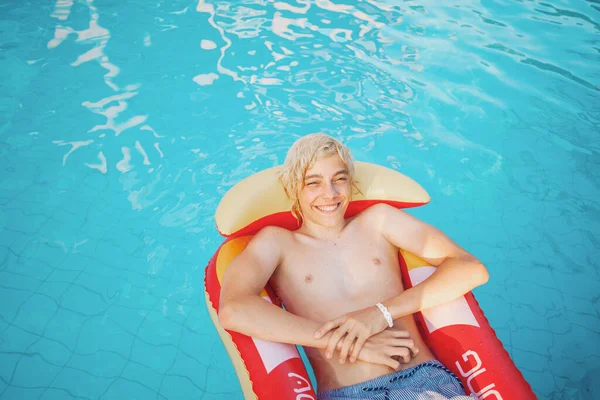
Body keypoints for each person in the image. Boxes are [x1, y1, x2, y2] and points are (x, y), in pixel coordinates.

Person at [219, 133, 488, 399]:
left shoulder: (380, 221)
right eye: (313, 183)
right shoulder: (277, 243)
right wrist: (347, 344)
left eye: (339, 179)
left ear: (351, 183)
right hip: (350, 394)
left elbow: (470, 268)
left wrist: (381, 314)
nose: (330, 194)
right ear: (292, 189)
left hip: (425, 382)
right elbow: (234, 309)